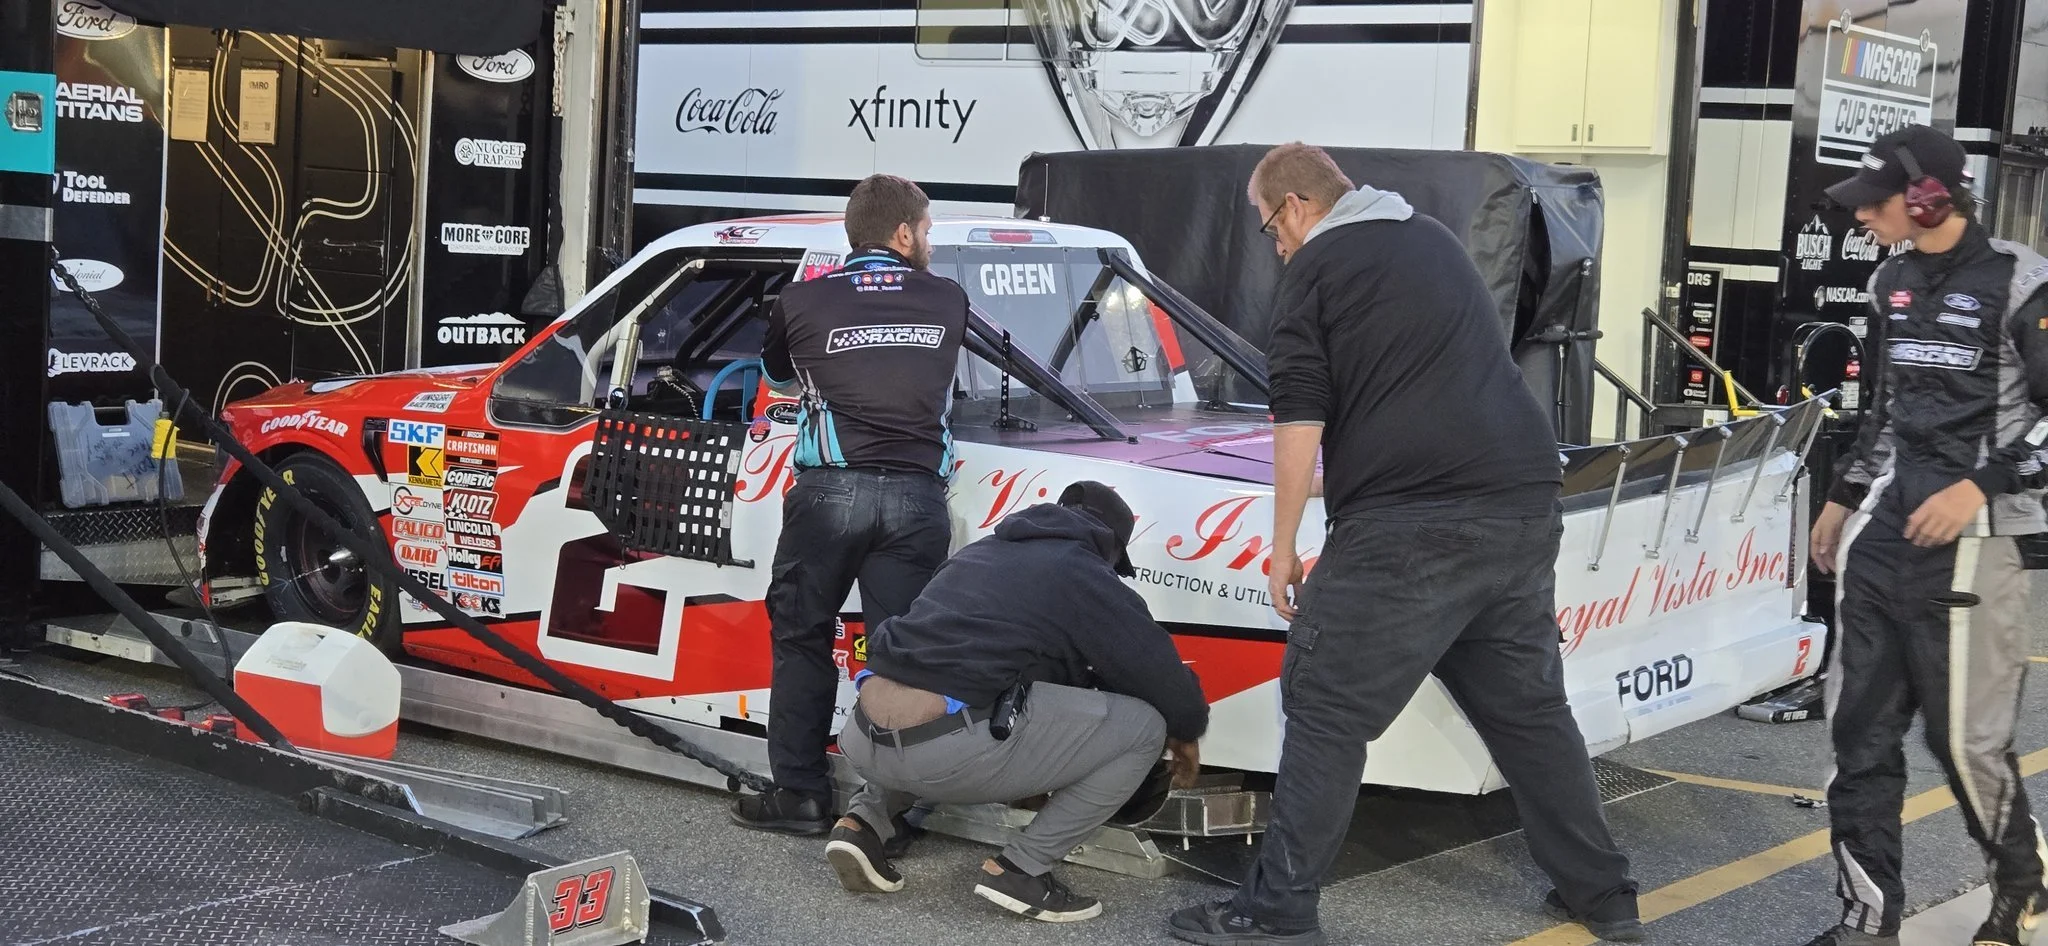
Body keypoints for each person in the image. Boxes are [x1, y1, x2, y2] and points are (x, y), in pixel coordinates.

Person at [1166, 142, 1640, 946]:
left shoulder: (1317, 268)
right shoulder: (1431, 241)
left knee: (1324, 703)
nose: (1273, 246)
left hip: (1415, 525)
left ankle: (1276, 912)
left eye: (1268, 227)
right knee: (1529, 714)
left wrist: (1282, 543)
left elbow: (1299, 417)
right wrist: (1352, 481)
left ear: (1297, 207)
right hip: (1520, 502)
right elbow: (1421, 394)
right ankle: (1605, 897)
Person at [1798, 124, 2048, 946]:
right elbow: (1886, 409)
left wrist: (1982, 485)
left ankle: (2021, 885)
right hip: (1885, 537)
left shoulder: (2021, 281)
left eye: (1876, 202)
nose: (1862, 216)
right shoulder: (1889, 280)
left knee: (1965, 743)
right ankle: (1868, 919)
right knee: (1857, 736)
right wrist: (1843, 497)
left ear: (1930, 196)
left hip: (1977, 544)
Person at [824, 481, 1209, 923]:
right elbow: (1158, 674)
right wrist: (1187, 730)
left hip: (863, 736)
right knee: (1143, 728)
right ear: (1110, 546)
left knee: (943, 692)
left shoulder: (979, 553)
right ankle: (1022, 871)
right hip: (943, 753)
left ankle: (861, 824)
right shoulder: (1081, 569)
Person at [730, 174, 966, 836]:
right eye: (926, 230)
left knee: (802, 636)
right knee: (902, 659)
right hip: (918, 497)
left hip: (830, 493)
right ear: (903, 233)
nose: (929, 242)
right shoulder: (947, 297)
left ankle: (801, 796)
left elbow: (778, 378)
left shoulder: (801, 299)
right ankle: (886, 816)